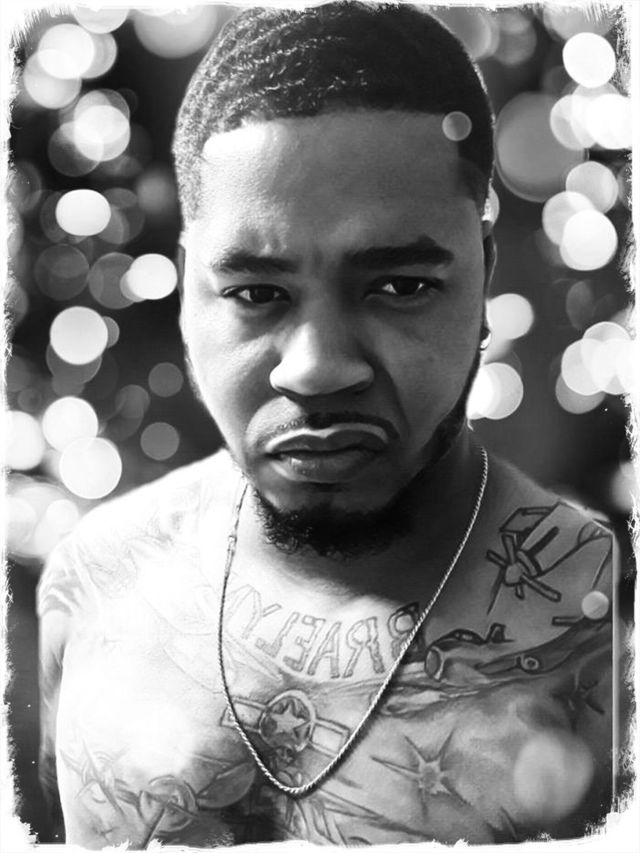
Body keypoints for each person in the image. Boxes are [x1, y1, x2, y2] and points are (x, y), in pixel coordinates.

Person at [37, 3, 618, 848]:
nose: (314, 368)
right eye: (255, 293)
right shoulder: (92, 583)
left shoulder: (606, 627)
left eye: (401, 287)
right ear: (191, 290)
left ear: (485, 275)